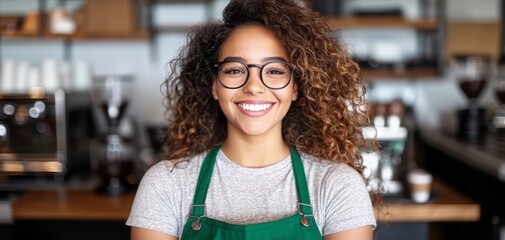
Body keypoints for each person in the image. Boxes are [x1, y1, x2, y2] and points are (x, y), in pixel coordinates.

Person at [126, 0, 377, 239]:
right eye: (235, 70)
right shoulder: (165, 185)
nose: (254, 87)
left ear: (296, 88)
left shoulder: (337, 186)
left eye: (275, 71)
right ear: (215, 86)